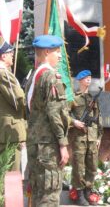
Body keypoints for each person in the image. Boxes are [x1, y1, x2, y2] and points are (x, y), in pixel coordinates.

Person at [25, 35, 71, 206]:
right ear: (46, 52)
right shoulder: (51, 76)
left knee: (38, 193)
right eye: (57, 51)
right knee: (49, 195)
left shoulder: (33, 76)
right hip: (48, 146)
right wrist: (63, 143)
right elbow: (55, 113)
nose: (60, 56)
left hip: (35, 144)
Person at [69, 70, 103, 206]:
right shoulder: (73, 98)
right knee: (78, 166)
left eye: (90, 77)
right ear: (80, 80)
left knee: (92, 165)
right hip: (79, 137)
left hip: (92, 137)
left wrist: (99, 136)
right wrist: (74, 122)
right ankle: (79, 193)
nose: (89, 79)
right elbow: (64, 114)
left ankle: (88, 191)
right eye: (86, 78)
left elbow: (98, 117)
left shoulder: (93, 98)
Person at [0, 37, 26, 171]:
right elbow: (18, 100)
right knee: (11, 175)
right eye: (10, 53)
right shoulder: (4, 73)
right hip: (9, 132)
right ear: (3, 56)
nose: (12, 55)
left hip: (5, 131)